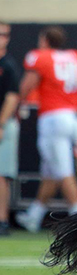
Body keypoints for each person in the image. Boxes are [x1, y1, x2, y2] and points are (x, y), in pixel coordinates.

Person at [16, 26, 77, 232]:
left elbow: (28, 84)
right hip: (72, 117)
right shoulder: (75, 57)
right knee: (51, 170)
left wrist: (17, 102)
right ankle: (34, 215)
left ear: (45, 40)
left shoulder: (41, 57)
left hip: (53, 118)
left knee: (63, 170)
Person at [0, 22, 20, 235]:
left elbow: (12, 96)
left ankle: (2, 219)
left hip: (3, 124)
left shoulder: (8, 65)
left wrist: (1, 123)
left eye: (5, 34)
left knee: (1, 174)